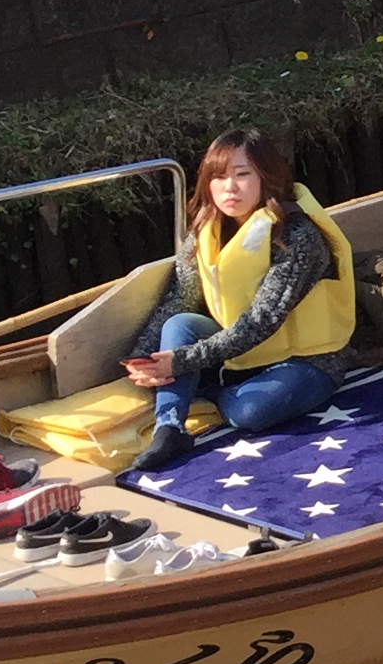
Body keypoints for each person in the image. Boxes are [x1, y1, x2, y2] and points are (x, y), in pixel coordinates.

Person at [125, 129, 356, 466]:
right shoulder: (205, 230)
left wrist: (182, 362)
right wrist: (142, 360)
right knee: (179, 324)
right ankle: (169, 428)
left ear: (267, 177)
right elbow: (180, 298)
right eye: (218, 176)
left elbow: (262, 319)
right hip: (234, 352)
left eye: (242, 174)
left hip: (307, 360)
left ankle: (210, 388)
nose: (229, 187)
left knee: (248, 412)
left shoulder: (298, 235)